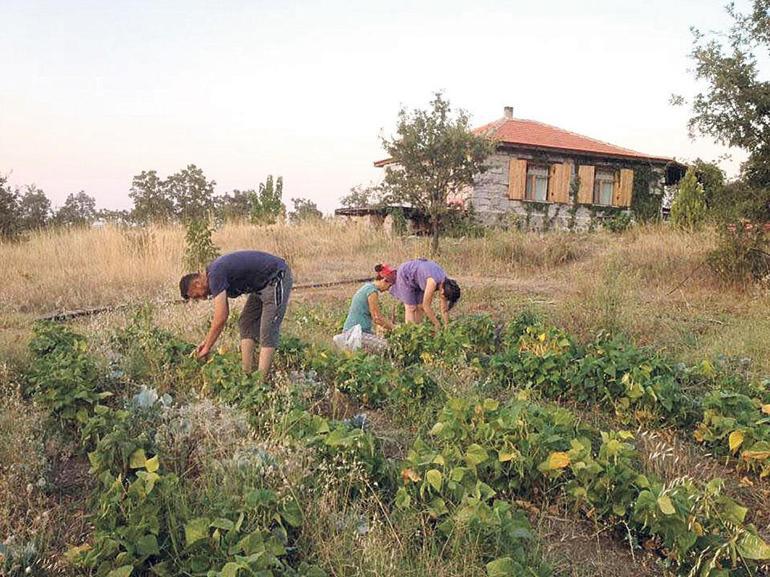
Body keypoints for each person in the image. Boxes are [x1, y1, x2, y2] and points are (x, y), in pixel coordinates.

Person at [179, 250, 292, 375]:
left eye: (197, 296)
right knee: (246, 322)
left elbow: (221, 317)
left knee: (267, 329)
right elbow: (223, 312)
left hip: (275, 277)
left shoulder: (215, 275)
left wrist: (207, 348)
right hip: (260, 287)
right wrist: (205, 343)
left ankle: (260, 384)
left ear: (197, 283)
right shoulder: (214, 275)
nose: (202, 298)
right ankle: (246, 375)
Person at [334, 264, 397, 352]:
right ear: (384, 280)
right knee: (390, 348)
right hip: (357, 334)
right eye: (389, 286)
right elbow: (377, 318)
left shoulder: (367, 287)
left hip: (353, 332)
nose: (388, 289)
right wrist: (396, 329)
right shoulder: (372, 291)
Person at [389, 258, 460, 330]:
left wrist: (447, 326)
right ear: (442, 292)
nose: (443, 299)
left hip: (419, 277)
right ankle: (409, 333)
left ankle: (418, 331)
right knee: (411, 308)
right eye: (444, 297)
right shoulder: (432, 283)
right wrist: (436, 323)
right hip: (406, 274)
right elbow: (426, 306)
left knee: (419, 307)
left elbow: (444, 309)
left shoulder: (447, 285)